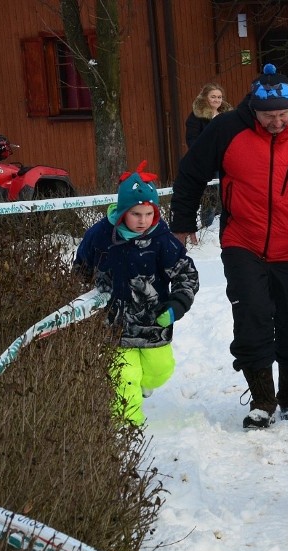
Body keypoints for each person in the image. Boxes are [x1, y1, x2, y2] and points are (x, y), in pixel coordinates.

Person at [169, 64, 288, 429]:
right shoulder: (226, 128)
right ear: (254, 109)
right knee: (252, 318)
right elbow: (190, 173)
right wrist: (183, 224)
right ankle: (262, 399)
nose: (277, 122)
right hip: (242, 243)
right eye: (269, 116)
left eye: (283, 114)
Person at [74, 161, 200, 426]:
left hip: (153, 321)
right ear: (122, 212)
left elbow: (185, 274)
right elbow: (82, 267)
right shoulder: (101, 235)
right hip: (113, 324)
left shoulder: (161, 239)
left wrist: (176, 306)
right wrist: (80, 299)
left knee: (159, 371)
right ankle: (127, 427)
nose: (143, 221)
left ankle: (145, 386)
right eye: (136, 214)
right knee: (125, 377)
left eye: (148, 214)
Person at [185, 83, 233, 228]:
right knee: (210, 193)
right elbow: (192, 140)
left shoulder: (228, 116)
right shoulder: (196, 116)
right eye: (213, 96)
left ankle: (224, 221)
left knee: (227, 191)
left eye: (219, 97)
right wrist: (205, 155)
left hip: (227, 160)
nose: (216, 100)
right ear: (205, 97)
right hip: (207, 161)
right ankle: (208, 225)